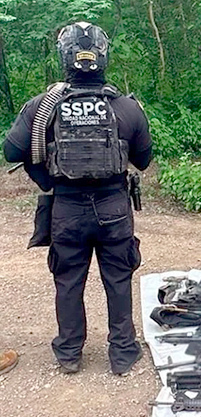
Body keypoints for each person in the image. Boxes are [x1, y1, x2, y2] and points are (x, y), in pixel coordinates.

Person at [2, 22, 153, 374]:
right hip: (114, 208)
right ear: (104, 57)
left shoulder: (43, 106)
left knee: (68, 280)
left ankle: (69, 353)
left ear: (64, 57)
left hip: (66, 208)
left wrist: (45, 178)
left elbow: (11, 151)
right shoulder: (127, 108)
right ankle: (123, 353)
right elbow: (143, 159)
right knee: (118, 278)